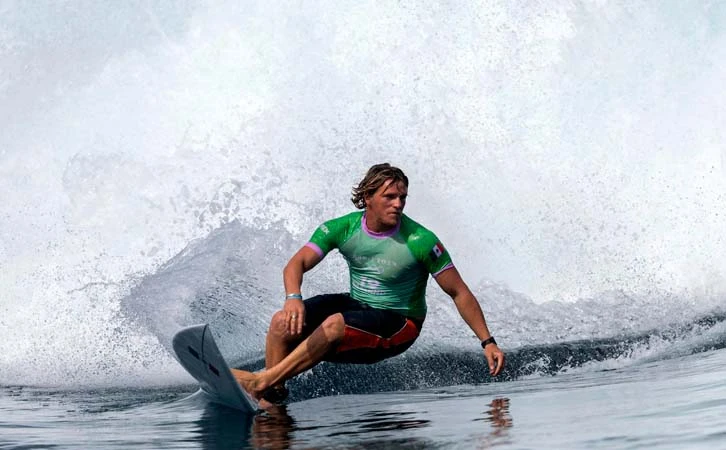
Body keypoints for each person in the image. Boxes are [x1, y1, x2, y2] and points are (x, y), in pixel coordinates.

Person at [232, 163, 504, 407]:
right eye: (390, 197)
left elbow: (459, 292)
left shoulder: (420, 240)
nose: (398, 204)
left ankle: (261, 382)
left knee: (334, 324)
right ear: (367, 198)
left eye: (402, 198)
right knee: (283, 321)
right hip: (360, 306)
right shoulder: (343, 228)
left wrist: (487, 342)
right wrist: (293, 297)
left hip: (400, 323)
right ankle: (271, 399)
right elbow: (297, 263)